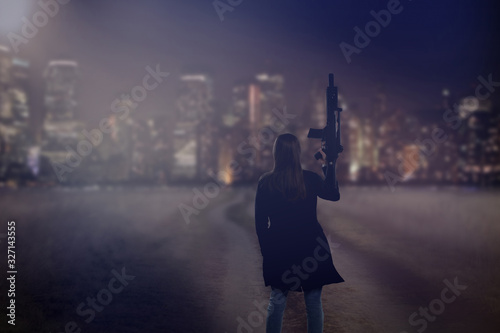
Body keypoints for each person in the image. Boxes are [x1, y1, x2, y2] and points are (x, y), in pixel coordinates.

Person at [254, 133, 344, 333]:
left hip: (279, 248)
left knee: (276, 302)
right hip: (311, 247)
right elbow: (334, 195)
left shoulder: (266, 181)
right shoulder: (310, 179)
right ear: (297, 153)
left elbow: (260, 223)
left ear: (276, 153)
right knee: (313, 304)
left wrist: (266, 252)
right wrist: (328, 163)